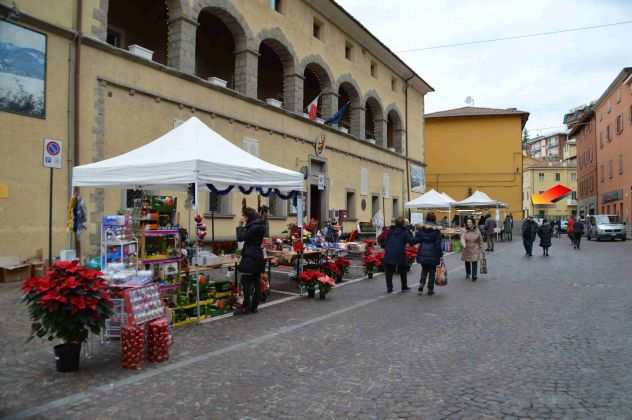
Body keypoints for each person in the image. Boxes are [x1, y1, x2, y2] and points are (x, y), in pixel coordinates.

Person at [235, 207, 266, 314]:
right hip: (258, 255)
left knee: (246, 281)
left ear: (248, 216)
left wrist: (240, 226)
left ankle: (247, 306)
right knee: (256, 282)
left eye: (244, 216)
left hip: (250, 256)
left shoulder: (253, 227)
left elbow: (241, 237)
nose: (243, 217)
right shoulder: (261, 225)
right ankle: (254, 307)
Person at [414, 213, 443, 296]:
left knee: (424, 270)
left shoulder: (422, 228)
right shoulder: (436, 230)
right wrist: (440, 254)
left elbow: (417, 239)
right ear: (434, 219)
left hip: (423, 251)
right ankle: (430, 289)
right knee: (432, 271)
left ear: (426, 218)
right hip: (433, 252)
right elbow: (438, 244)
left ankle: (421, 284)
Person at [383, 216, 413, 293]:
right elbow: (411, 241)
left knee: (389, 271)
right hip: (400, 253)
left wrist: (386, 246)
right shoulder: (404, 232)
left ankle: (389, 288)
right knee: (403, 269)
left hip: (389, 252)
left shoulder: (390, 231)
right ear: (403, 224)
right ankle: (404, 286)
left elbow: (383, 240)